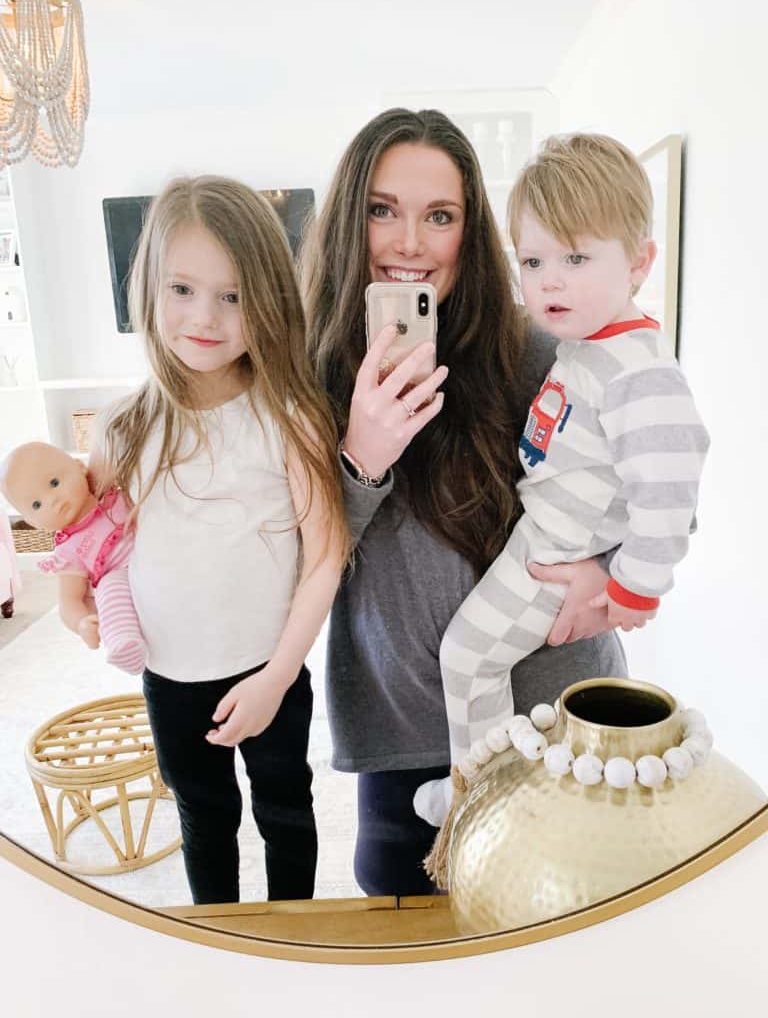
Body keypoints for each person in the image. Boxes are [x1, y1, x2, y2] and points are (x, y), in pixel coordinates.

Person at [302, 108, 631, 898]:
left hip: (555, 717)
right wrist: (360, 460)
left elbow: (658, 490)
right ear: (351, 220)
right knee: (410, 934)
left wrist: (607, 576)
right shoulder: (305, 375)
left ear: (468, 232)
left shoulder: (541, 355)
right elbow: (289, 567)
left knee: (565, 936)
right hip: (405, 733)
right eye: (383, 210)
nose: (410, 242)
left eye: (439, 216)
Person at [416, 133, 710, 826]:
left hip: (554, 555)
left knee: (468, 656)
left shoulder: (640, 372)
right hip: (543, 538)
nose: (549, 280)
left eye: (576, 258)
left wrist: (629, 588)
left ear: (638, 262)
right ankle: (487, 786)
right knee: (471, 658)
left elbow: (670, 491)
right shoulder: (586, 350)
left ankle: (478, 798)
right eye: (534, 259)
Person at [91, 176, 349, 905]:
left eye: (232, 296)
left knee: (286, 815)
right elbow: (95, 540)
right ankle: (219, 948)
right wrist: (83, 603)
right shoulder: (123, 427)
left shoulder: (290, 416)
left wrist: (275, 679)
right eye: (182, 289)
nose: (205, 316)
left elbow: (326, 556)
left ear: (265, 298)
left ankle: (290, 945)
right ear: (149, 288)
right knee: (204, 820)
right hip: (170, 678)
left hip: (269, 668)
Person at [0, 441, 146, 673]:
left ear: (80, 467)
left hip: (154, 552)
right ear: (33, 523)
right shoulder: (68, 552)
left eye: (54, 483)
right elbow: (69, 601)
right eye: (37, 505)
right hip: (123, 580)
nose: (52, 501)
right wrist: (81, 623)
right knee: (109, 590)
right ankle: (123, 642)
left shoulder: (115, 495)